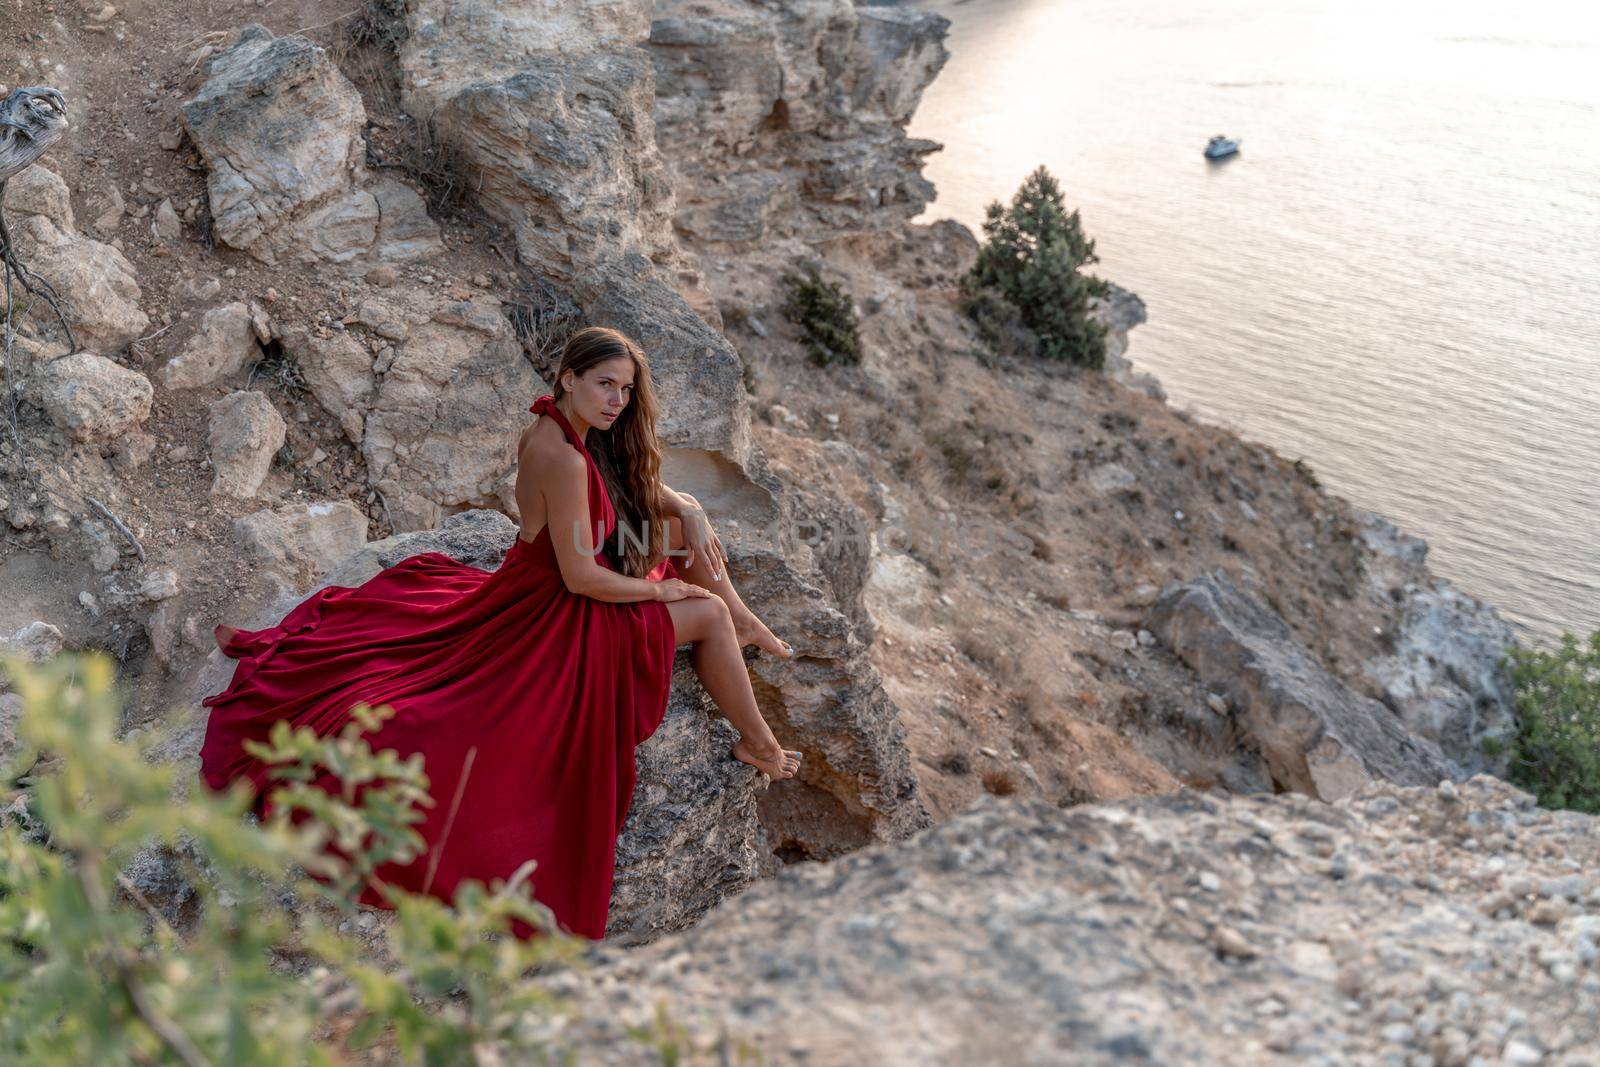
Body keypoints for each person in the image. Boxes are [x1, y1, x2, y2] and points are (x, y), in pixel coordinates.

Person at [196, 325, 802, 940]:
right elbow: (582, 578)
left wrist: (686, 505)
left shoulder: (562, 428)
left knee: (689, 531)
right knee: (706, 613)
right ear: (569, 378)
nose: (617, 400)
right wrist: (658, 589)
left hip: (535, 585)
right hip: (561, 613)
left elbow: (625, 492)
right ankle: (760, 742)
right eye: (605, 384)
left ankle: (743, 616)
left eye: (625, 388)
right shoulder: (561, 455)